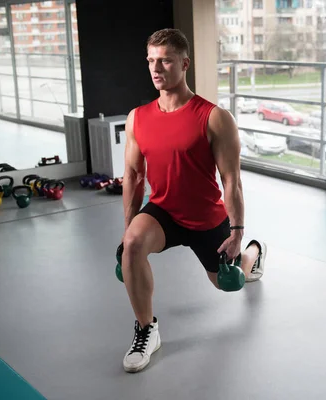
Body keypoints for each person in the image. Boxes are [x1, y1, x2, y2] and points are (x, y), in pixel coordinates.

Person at [119, 28, 267, 373]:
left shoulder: (214, 117)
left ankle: (253, 255)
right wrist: (127, 230)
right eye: (151, 61)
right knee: (133, 244)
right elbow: (134, 176)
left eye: (166, 60)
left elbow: (232, 180)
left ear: (184, 63)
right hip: (164, 212)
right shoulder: (138, 118)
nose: (157, 68)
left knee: (230, 282)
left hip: (206, 217)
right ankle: (146, 330)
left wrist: (237, 231)